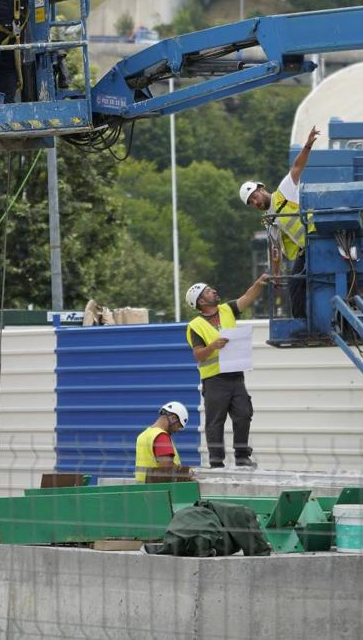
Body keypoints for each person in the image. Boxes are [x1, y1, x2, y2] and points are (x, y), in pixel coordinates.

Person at [185, 274, 269, 469]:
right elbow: (198, 355)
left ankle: (241, 456)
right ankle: (216, 461)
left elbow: (247, 297)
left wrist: (258, 283)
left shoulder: (226, 310)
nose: (213, 291)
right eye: (208, 291)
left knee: (244, 413)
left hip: (236, 375)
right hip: (214, 380)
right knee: (215, 422)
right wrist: (213, 346)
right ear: (201, 301)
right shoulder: (195, 326)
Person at [239, 125, 320, 318]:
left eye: (254, 196)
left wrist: (308, 145)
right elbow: (274, 249)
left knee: (307, 282)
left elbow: (297, 167)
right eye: (251, 203)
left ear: (262, 188)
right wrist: (276, 275)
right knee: (295, 285)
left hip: (318, 239)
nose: (255, 202)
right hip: (305, 251)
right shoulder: (270, 220)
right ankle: (302, 324)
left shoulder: (284, 191)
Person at [134, 401, 188, 482]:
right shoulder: (161, 436)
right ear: (173, 418)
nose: (177, 430)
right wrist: (187, 474)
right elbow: (167, 468)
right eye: (178, 426)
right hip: (159, 491)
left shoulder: (143, 435)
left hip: (143, 489)